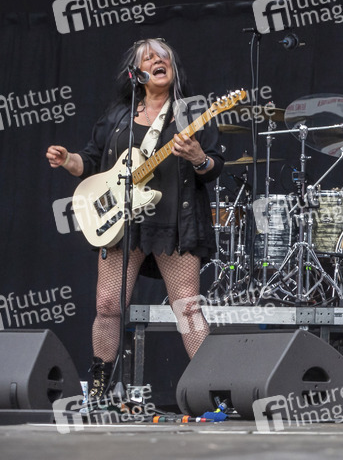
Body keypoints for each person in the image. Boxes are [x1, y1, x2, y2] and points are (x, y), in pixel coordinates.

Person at [46, 38, 223, 402]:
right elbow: (91, 163)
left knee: (187, 308)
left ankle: (213, 388)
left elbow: (213, 166)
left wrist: (197, 156)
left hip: (174, 221)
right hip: (123, 222)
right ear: (137, 73)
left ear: (172, 66)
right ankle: (99, 387)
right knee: (107, 307)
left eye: (163, 56)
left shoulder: (191, 112)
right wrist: (67, 160)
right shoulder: (119, 115)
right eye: (148, 57)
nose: (157, 60)